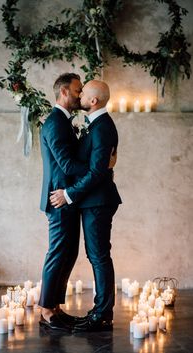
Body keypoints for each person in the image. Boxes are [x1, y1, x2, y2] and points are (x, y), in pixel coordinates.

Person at [50, 80, 122, 332]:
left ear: (94, 101)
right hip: (92, 202)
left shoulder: (102, 127)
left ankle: (103, 315)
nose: (79, 96)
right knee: (97, 256)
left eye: (83, 93)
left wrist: (68, 194)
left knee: (99, 257)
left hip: (98, 203)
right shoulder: (95, 126)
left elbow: (97, 173)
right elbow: (96, 167)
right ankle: (99, 311)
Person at [38, 73, 89, 331]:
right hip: (59, 199)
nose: (81, 95)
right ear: (64, 92)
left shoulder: (64, 122)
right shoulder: (56, 123)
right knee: (58, 253)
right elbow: (66, 164)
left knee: (69, 253)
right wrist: (97, 168)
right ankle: (46, 311)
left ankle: (55, 307)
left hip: (66, 198)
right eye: (78, 90)